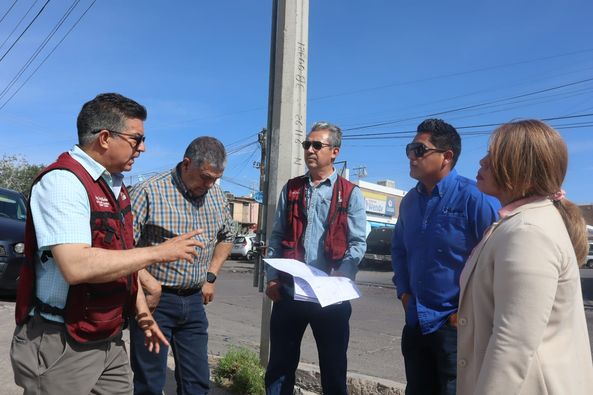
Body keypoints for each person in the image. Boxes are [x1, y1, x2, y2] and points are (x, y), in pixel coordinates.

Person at [10, 93, 203, 395]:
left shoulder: (114, 185)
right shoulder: (63, 182)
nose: (143, 148)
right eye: (137, 139)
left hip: (107, 338)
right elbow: (77, 265)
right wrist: (157, 253)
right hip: (62, 340)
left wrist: (142, 314)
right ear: (104, 138)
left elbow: (120, 258)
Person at [457, 120, 593, 394]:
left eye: (495, 155)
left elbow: (512, 344)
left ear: (524, 169)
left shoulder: (528, 231)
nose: (482, 161)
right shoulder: (522, 222)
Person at [391, 118, 500, 395]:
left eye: (419, 149)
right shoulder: (410, 202)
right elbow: (400, 250)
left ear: (446, 157)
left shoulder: (476, 199)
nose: (411, 156)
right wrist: (404, 294)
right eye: (409, 149)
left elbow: (496, 261)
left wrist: (466, 313)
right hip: (416, 322)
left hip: (457, 328)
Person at [264, 121, 367, 395]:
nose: (310, 150)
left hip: (331, 299)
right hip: (290, 293)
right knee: (279, 369)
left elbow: (357, 243)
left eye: (317, 145)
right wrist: (273, 279)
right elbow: (276, 237)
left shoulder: (351, 194)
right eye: (307, 144)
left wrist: (342, 273)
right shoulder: (292, 188)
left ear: (334, 151)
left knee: (334, 372)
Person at [129, 136, 236, 395]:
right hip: (155, 302)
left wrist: (210, 277)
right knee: (150, 382)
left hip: (194, 303)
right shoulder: (149, 192)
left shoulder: (216, 196)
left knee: (197, 381)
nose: (209, 185)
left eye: (215, 179)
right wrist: (146, 281)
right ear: (186, 163)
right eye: (205, 177)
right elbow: (122, 248)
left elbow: (228, 235)